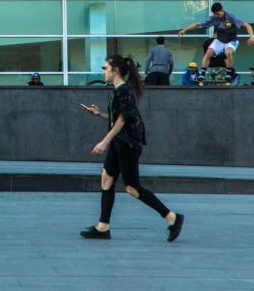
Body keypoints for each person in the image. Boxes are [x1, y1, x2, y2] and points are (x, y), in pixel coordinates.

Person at [79, 55, 184, 242]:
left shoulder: (124, 90)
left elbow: (123, 120)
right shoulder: (119, 90)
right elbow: (118, 117)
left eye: (105, 68)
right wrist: (99, 114)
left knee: (132, 188)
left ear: (116, 70)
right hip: (118, 143)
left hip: (127, 145)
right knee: (106, 180)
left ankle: (172, 218)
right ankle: (103, 227)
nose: (103, 71)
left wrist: (104, 142)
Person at [177, 2, 254, 71]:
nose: (217, 16)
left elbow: (247, 25)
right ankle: (203, 72)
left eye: (218, 14)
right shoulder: (214, 18)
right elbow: (198, 24)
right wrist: (185, 30)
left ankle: (230, 71)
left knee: (228, 53)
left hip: (231, 40)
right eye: (215, 14)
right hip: (220, 40)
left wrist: (251, 37)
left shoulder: (231, 17)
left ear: (222, 10)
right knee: (208, 52)